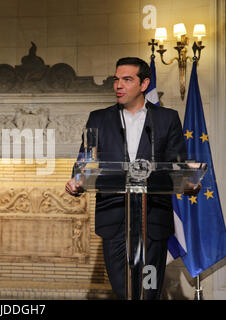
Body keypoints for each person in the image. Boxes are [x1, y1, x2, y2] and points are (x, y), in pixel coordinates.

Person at [65, 57, 197, 299]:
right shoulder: (98, 118)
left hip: (153, 222)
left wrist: (187, 180)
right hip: (114, 219)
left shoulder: (167, 119)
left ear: (144, 84)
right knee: (122, 289)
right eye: (116, 79)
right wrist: (77, 181)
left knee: (149, 288)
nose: (118, 85)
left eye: (127, 79)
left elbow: (177, 166)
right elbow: (84, 161)